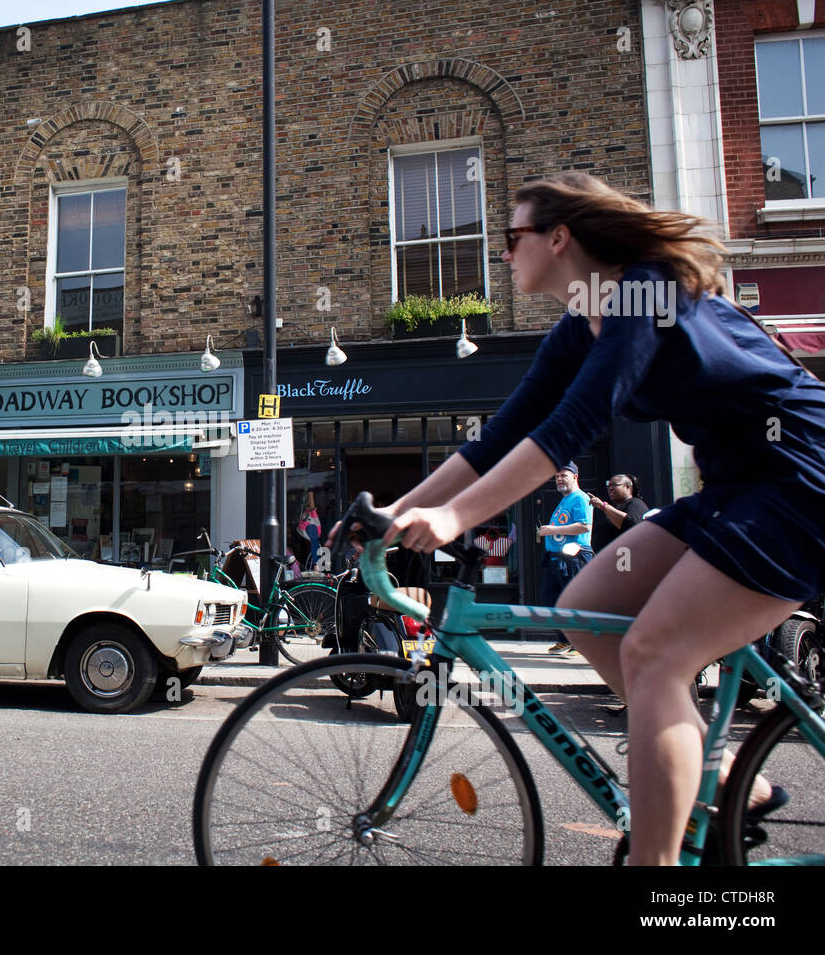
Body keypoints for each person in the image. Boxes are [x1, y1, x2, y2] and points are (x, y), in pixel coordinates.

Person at [330, 171, 824, 865]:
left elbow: (572, 426)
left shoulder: (646, 291)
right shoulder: (578, 327)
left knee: (655, 655)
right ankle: (731, 779)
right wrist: (397, 511)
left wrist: (452, 520)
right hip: (735, 487)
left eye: (512, 236)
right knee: (584, 606)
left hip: (800, 480)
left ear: (558, 237)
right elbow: (501, 435)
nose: (503, 252)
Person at [539, 462, 592, 656]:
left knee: (573, 601)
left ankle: (581, 643)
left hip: (574, 557)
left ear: (575, 477)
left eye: (564, 475)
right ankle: (564, 639)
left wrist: (553, 530)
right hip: (556, 559)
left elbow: (585, 526)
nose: (559, 479)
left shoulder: (580, 498)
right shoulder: (565, 500)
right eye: (557, 476)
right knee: (550, 598)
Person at [588, 474, 650, 551]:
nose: (610, 488)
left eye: (614, 485)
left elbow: (631, 524)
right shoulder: (619, 507)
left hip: (626, 558)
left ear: (627, 487)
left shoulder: (636, 503)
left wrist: (603, 506)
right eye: (608, 486)